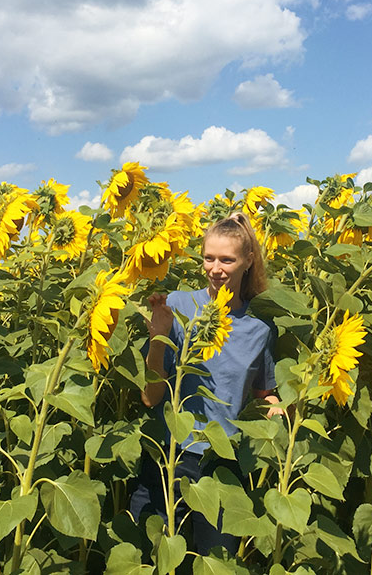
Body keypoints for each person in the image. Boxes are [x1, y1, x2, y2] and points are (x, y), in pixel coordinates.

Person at [129, 212, 281, 555]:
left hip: (222, 462)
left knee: (216, 559)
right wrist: (159, 337)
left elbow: (263, 396)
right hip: (167, 456)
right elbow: (151, 397)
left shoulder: (259, 328)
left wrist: (284, 415)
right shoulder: (179, 305)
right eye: (209, 258)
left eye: (227, 259)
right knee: (149, 555)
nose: (216, 268)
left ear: (248, 261)